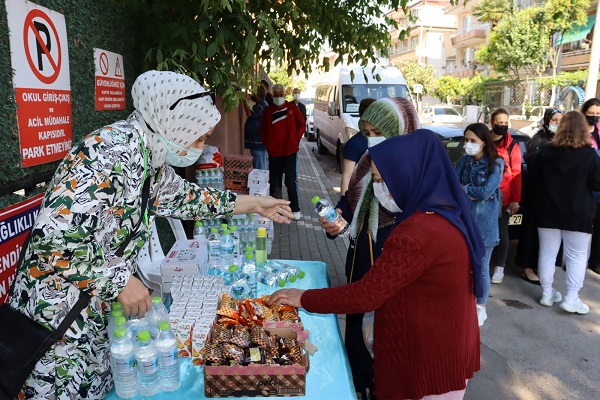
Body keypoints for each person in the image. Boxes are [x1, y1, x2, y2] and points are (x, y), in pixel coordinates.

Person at [6, 71, 294, 399]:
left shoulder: (149, 157)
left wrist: (257, 203)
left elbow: (191, 199)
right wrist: (120, 281)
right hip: (56, 323)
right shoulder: (109, 152)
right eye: (198, 137)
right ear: (174, 126)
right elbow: (51, 240)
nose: (201, 148)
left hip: (97, 314)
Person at [270, 130, 483, 400]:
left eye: (382, 181)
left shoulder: (418, 233)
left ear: (408, 175)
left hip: (426, 366)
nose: (379, 190)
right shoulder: (447, 209)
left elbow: (368, 294)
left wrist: (304, 298)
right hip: (447, 351)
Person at [320, 97, 419, 400]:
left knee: (384, 343)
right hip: (361, 259)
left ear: (399, 130)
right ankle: (357, 385)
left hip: (394, 268)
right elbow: (350, 201)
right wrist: (337, 220)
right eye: (366, 131)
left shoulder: (416, 169)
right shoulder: (366, 162)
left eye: (378, 131)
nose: (371, 138)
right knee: (357, 334)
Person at [532, 111, 600, 314]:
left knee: (547, 253)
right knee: (577, 257)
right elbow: (597, 183)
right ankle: (571, 297)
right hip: (578, 212)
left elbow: (536, 181)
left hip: (548, 210)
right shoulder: (589, 155)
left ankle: (547, 293)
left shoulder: (545, 152)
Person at [455, 123, 504, 327]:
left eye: (473, 141)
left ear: (484, 142)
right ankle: (464, 303)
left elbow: (485, 192)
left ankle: (480, 307)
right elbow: (451, 186)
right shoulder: (464, 161)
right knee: (463, 266)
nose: (468, 144)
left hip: (485, 225)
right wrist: (470, 192)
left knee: (482, 267)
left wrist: (465, 190)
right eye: (466, 140)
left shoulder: (496, 163)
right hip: (463, 223)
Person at [515, 108, 564, 284]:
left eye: (560, 120)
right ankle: (527, 268)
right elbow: (535, 166)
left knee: (549, 235)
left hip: (554, 197)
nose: (557, 123)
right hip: (538, 195)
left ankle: (541, 266)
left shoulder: (561, 141)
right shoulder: (538, 140)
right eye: (554, 120)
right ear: (546, 120)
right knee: (532, 232)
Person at [260, 83, 306, 221]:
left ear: (284, 95)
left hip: (290, 152)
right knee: (275, 182)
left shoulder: (292, 109)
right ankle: (276, 209)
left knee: (291, 181)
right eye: (276, 95)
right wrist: (267, 143)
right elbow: (262, 129)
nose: (279, 98)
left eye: (281, 95)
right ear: (273, 95)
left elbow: (302, 124)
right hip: (274, 153)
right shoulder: (268, 111)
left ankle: (295, 208)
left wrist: (295, 138)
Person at [489, 107, 522, 284]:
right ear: (491, 122)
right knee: (482, 231)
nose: (502, 126)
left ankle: (499, 267)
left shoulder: (512, 145)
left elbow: (517, 174)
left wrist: (515, 200)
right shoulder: (482, 140)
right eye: (499, 122)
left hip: (503, 197)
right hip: (483, 196)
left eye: (505, 123)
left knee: (502, 233)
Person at [340, 97, 376, 195]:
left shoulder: (384, 139)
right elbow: (347, 177)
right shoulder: (354, 144)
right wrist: (344, 203)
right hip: (360, 198)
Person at [582, 98, 600, 274]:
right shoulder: (578, 132)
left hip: (598, 186)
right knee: (582, 228)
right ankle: (571, 260)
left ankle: (595, 261)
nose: (594, 118)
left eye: (597, 114)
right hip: (583, 187)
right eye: (591, 114)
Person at [243, 86, 268, 169]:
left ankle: (261, 182)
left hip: (258, 142)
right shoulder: (260, 104)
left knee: (259, 168)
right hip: (256, 141)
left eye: (253, 92)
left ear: (258, 94)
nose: (251, 94)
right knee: (259, 165)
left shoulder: (262, 105)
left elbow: (250, 114)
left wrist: (244, 100)